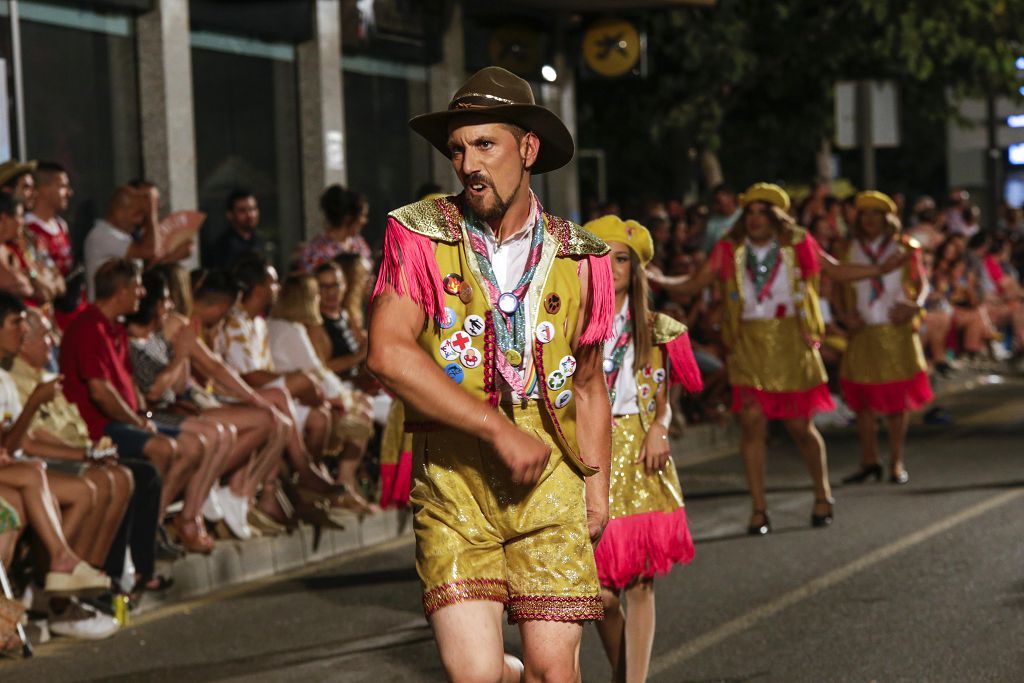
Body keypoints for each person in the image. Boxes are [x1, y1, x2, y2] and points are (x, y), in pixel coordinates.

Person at [368, 66, 614, 681]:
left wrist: (599, 489)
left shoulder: (583, 257)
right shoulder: (418, 234)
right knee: (476, 676)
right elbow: (388, 353)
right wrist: (496, 429)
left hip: (553, 476)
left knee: (554, 671)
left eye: (486, 144)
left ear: (528, 148)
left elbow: (588, 384)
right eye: (458, 148)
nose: (469, 163)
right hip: (454, 480)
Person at [648, 183, 906, 534]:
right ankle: (758, 509)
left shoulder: (797, 243)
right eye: (749, 212)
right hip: (748, 343)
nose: (754, 219)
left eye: (762, 212)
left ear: (776, 216)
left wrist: (878, 271)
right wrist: (657, 278)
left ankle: (822, 494)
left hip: (791, 343)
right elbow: (694, 284)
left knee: (801, 428)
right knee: (753, 424)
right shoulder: (729, 248)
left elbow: (833, 270)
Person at [585, 216, 702, 683]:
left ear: (637, 270)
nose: (612, 268)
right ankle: (623, 673)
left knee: (639, 585)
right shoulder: (569, 322)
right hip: (588, 453)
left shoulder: (657, 328)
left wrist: (661, 427)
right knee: (596, 592)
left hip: (639, 451)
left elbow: (668, 399)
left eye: (622, 259)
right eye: (604, 257)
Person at [61, 258, 198, 587]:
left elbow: (128, 385)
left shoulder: (115, 327)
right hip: (100, 428)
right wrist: (138, 420)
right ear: (120, 290)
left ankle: (149, 531)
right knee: (161, 450)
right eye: (137, 286)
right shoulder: (88, 327)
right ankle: (140, 548)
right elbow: (100, 392)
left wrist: (144, 415)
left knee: (193, 443)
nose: (141, 292)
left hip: (125, 420)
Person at [126, 269, 286, 544]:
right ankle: (183, 514)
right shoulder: (128, 339)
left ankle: (211, 502)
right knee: (215, 434)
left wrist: (252, 397)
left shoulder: (167, 330)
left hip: (179, 405)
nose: (170, 305)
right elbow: (153, 393)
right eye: (164, 300)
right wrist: (181, 356)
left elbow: (204, 370)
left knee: (265, 418)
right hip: (155, 413)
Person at [835, 192, 934, 486]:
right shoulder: (847, 249)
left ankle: (896, 460)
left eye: (875, 214)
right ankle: (868, 460)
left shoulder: (905, 248)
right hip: (863, 329)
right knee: (863, 401)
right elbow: (835, 286)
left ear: (887, 218)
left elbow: (922, 283)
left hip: (896, 329)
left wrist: (917, 304)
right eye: (864, 214)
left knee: (896, 401)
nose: (869, 219)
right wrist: (843, 315)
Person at [268, 273, 375, 513]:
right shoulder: (291, 329)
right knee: (351, 413)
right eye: (316, 294)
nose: (320, 299)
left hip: (295, 395)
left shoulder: (278, 325)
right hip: (294, 399)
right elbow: (316, 371)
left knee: (355, 407)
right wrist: (345, 400)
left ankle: (334, 480)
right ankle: (324, 478)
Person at [83, 187, 158, 301]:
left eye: (143, 215)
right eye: (137, 214)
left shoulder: (123, 236)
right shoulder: (102, 235)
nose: (140, 220)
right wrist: (151, 214)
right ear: (120, 212)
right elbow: (149, 251)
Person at [299, 185, 372, 272]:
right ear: (348, 217)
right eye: (362, 215)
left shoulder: (359, 245)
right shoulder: (316, 252)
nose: (365, 221)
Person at [207, 189, 264, 269]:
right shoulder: (223, 246)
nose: (250, 215)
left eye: (252, 209)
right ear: (230, 214)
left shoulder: (258, 240)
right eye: (242, 211)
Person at [703, 184, 741, 253]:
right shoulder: (712, 223)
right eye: (716, 202)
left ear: (731, 197)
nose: (717, 206)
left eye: (719, 202)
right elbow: (706, 248)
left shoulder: (744, 215)